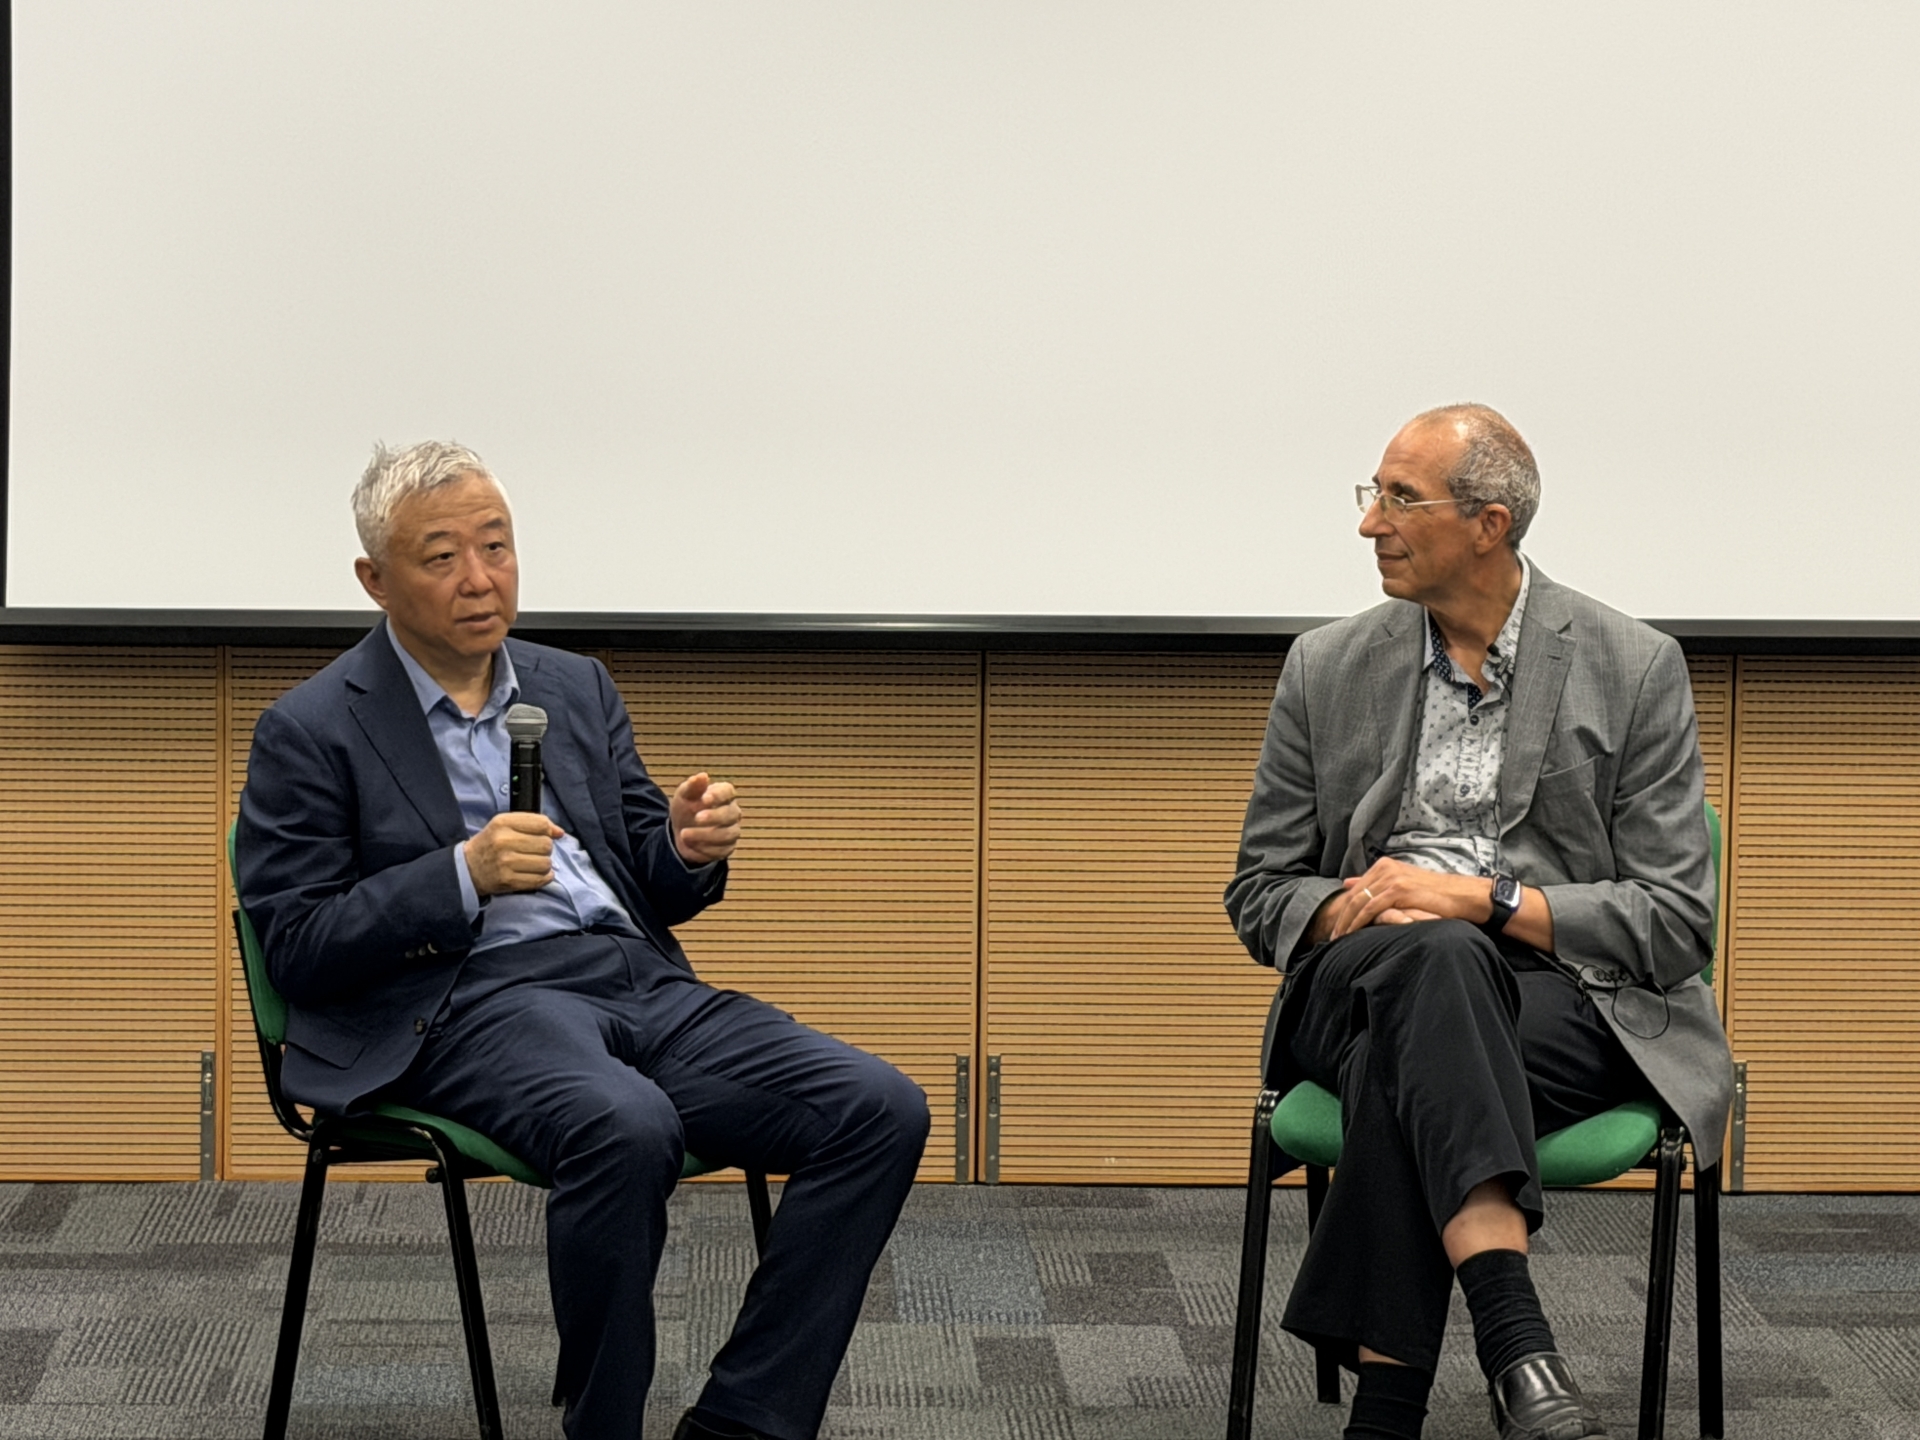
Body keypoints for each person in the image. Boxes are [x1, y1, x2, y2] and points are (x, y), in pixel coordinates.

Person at [237, 441, 930, 1440]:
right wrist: (459, 877)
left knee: (877, 1108)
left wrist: (685, 848)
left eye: (497, 545)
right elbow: (297, 943)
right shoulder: (310, 729)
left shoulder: (573, 685)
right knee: (626, 1124)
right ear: (374, 581)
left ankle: (745, 1424)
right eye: (441, 557)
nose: (480, 579)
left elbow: (646, 867)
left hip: (638, 983)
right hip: (468, 1005)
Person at [1224, 405, 1733, 1440]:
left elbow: (1676, 920)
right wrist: (1352, 902)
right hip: (1356, 976)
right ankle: (1514, 1336)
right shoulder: (1327, 666)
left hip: (1566, 1001)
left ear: (1490, 523)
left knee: (1405, 1059)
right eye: (1371, 494)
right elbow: (1260, 888)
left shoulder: (1631, 666)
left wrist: (1482, 898)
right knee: (1434, 969)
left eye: (1401, 498)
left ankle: (1389, 1410)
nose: (1372, 523)